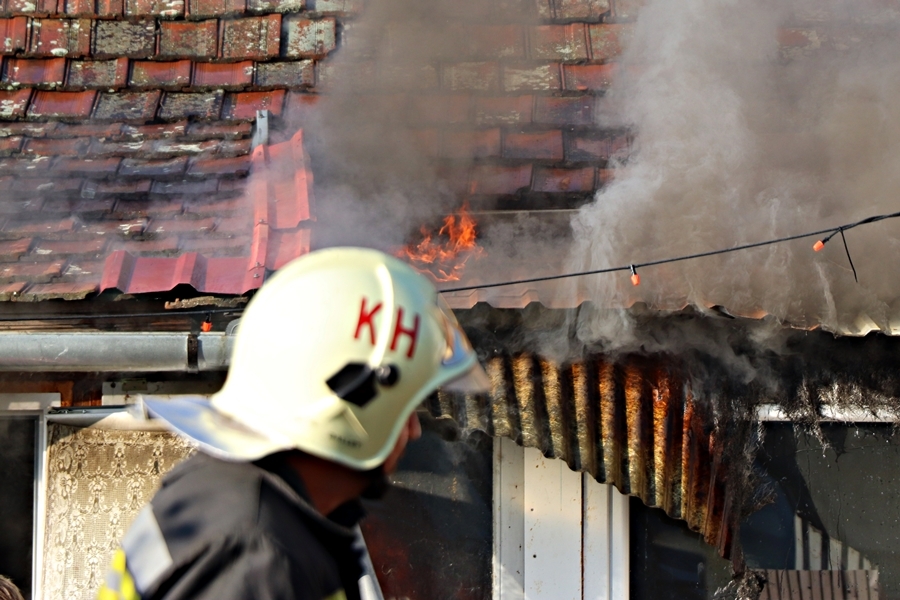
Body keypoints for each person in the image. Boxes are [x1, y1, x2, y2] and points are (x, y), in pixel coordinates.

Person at [98, 247, 489, 600]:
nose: (415, 430)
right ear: (356, 398)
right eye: (407, 407)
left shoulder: (234, 495)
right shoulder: (259, 554)